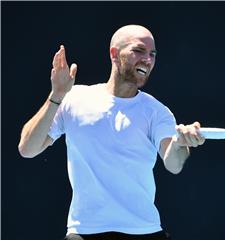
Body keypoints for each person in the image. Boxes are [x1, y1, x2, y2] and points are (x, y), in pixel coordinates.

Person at [18, 24, 205, 240]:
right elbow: (27, 149)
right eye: (139, 51)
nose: (148, 59)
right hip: (83, 231)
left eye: (152, 54)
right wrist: (57, 94)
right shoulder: (73, 99)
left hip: (144, 232)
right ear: (114, 54)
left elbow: (173, 164)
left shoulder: (157, 112)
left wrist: (181, 143)